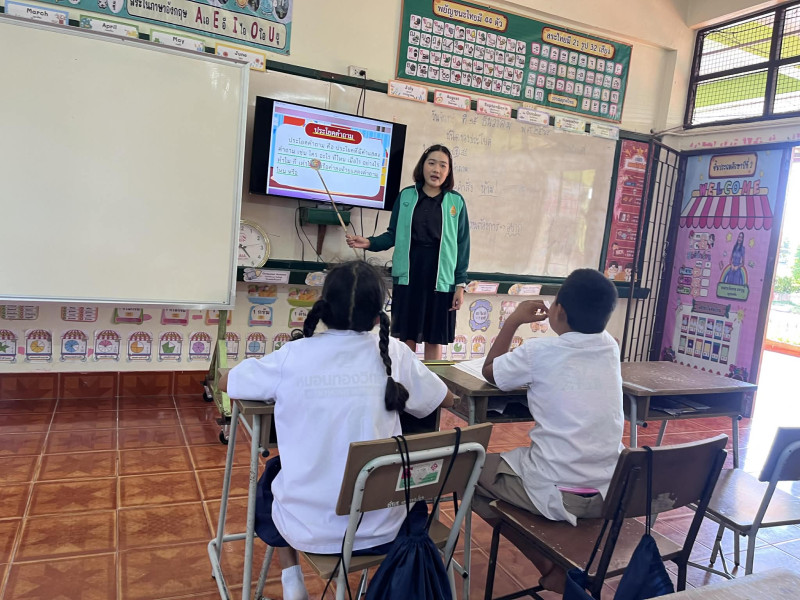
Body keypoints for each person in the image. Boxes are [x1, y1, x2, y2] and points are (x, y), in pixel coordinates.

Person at [219, 261, 455, 600]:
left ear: (324, 308)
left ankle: (292, 581)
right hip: (385, 529)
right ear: (379, 317)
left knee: (272, 477)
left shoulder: (293, 355)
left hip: (307, 528)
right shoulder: (394, 353)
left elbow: (227, 382)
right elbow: (444, 398)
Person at [476, 268, 623, 593]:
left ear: (559, 312)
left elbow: (490, 371)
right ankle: (558, 557)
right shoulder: (611, 347)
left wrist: (514, 320)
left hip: (558, 491)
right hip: (608, 491)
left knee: (466, 471)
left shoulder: (538, 352)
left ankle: (548, 565)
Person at [347, 144, 470, 360]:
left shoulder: (456, 201)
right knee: (406, 336)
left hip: (441, 278)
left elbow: (462, 244)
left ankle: (432, 380)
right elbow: (392, 235)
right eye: (431, 163)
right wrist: (369, 242)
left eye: (443, 165)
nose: (436, 169)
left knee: (434, 337)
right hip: (410, 274)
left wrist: (460, 285)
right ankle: (404, 379)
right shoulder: (406, 196)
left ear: (449, 171)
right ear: (422, 166)